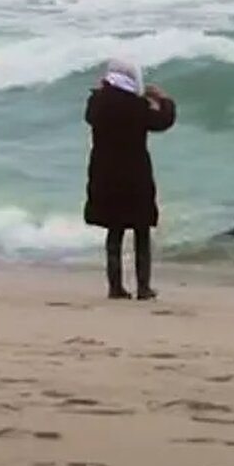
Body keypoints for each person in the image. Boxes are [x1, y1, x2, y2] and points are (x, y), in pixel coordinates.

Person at [82, 58, 177, 300]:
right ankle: (143, 287)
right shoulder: (136, 106)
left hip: (104, 173)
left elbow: (90, 115)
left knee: (114, 231)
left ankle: (115, 287)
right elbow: (162, 121)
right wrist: (163, 99)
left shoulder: (97, 103)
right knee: (141, 230)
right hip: (134, 174)